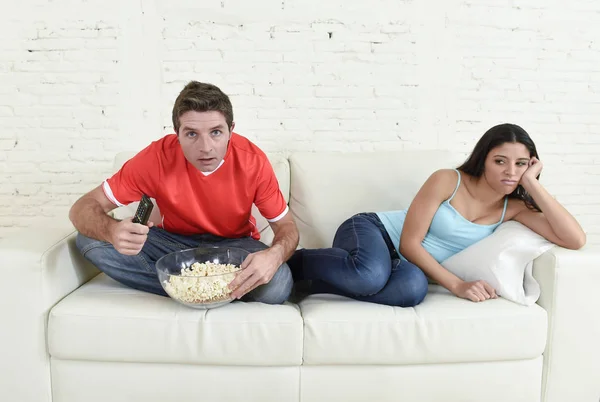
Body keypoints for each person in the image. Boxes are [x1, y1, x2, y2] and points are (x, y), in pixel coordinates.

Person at [287, 123, 586, 306]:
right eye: (500, 161)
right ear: (483, 160)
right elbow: (409, 244)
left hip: (402, 265)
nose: (511, 172)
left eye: (521, 164)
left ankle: (316, 284)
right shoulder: (448, 180)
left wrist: (531, 184)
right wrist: (457, 285)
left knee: (412, 290)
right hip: (373, 231)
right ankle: (295, 263)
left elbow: (575, 239)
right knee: (369, 275)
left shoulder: (515, 208)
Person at [69, 81, 299, 304]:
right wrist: (112, 230)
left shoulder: (253, 161)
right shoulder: (155, 158)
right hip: (172, 243)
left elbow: (287, 227)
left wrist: (274, 256)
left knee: (277, 285)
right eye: (191, 134)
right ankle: (210, 289)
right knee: (90, 241)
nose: (206, 147)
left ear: (231, 130)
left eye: (216, 132)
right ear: (176, 133)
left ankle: (184, 284)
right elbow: (83, 207)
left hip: (233, 247)